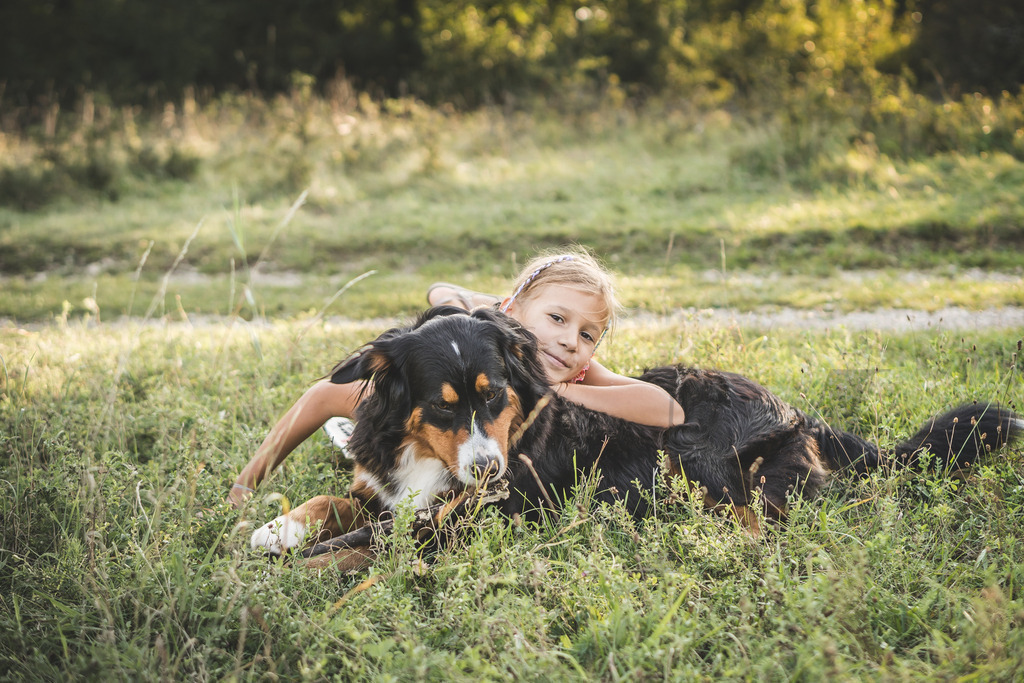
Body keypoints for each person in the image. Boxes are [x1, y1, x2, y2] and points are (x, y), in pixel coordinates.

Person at [228, 248, 685, 507]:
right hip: (437, 375)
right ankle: (249, 480)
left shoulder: (575, 370)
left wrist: (558, 392)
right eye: (557, 318)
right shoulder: (492, 324)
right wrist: (246, 484)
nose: (570, 340)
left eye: (588, 334)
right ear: (512, 310)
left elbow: (667, 409)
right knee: (339, 399)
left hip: (484, 388)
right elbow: (439, 292)